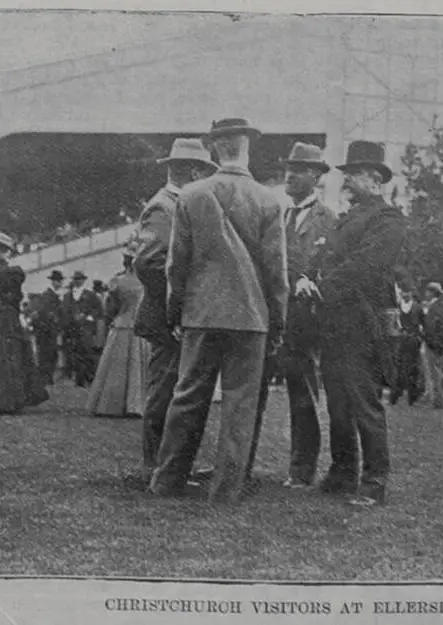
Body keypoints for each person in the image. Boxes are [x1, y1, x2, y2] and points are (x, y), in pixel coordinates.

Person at [150, 118, 288, 504]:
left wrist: (176, 310)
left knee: (187, 397)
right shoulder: (269, 200)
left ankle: (166, 481)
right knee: (240, 405)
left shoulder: (191, 195)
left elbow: (176, 264)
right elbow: (278, 273)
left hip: (202, 312)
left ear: (214, 149)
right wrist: (277, 321)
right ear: (248, 148)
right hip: (251, 317)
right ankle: (225, 491)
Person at [298, 140, 405, 507]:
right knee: (338, 402)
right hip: (334, 320)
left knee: (363, 400)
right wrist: (307, 277)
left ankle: (375, 480)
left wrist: (322, 286)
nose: (346, 181)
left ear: (374, 180)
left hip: (363, 322)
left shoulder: (387, 219)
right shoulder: (347, 218)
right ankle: (343, 472)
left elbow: (366, 265)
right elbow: (322, 254)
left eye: (353, 175)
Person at [133, 137, 218, 485]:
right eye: (199, 170)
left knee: (180, 394)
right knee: (166, 394)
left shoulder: (180, 205)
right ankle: (158, 466)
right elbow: (151, 263)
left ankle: (174, 465)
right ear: (190, 170)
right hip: (168, 319)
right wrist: (178, 305)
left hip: (179, 316)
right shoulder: (163, 207)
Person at [256, 141, 335, 488]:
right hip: (268, 318)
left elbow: (327, 269)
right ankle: (239, 464)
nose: (290, 174)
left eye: (300, 169)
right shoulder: (276, 214)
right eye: (289, 167)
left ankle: (301, 471)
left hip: (302, 323)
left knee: (302, 397)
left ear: (316, 176)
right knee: (252, 393)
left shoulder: (329, 221)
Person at [0, 231, 48, 414]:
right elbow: (15, 298)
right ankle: (7, 402)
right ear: (5, 251)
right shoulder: (12, 272)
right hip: (6, 318)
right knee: (8, 357)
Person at [86, 250, 150, 417]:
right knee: (138, 368)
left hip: (121, 326)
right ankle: (136, 404)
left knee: (115, 369)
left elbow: (110, 309)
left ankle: (112, 405)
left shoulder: (117, 282)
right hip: (140, 328)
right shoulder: (147, 282)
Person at [389, 268, 424, 406]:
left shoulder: (417, 307)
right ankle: (395, 395)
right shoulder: (398, 306)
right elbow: (393, 323)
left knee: (412, 369)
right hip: (401, 340)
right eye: (404, 292)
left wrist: (420, 336)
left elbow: (423, 324)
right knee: (399, 368)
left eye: (408, 292)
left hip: (413, 340)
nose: (405, 294)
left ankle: (412, 397)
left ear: (412, 293)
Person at [62, 270, 103, 387]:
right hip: (72, 329)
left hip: (86, 329)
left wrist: (88, 317)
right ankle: (78, 379)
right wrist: (69, 319)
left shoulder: (90, 295)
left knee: (87, 352)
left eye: (80, 279)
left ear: (83, 280)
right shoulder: (67, 296)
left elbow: (98, 310)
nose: (78, 281)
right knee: (74, 353)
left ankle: (89, 377)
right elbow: (64, 311)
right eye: (76, 279)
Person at [32, 269, 64, 386]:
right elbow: (44, 313)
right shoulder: (48, 295)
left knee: (49, 354)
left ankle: (47, 377)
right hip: (46, 331)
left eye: (60, 281)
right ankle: (45, 378)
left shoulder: (53, 295)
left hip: (49, 331)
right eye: (58, 281)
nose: (60, 284)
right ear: (53, 282)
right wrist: (54, 318)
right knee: (47, 354)